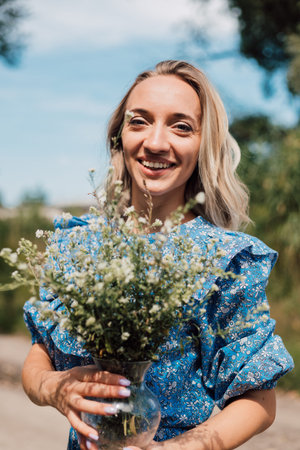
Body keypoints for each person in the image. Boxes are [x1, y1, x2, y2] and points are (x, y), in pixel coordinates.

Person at [22, 60, 293, 450]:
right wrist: (54, 388)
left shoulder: (224, 259)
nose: (155, 142)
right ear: (120, 137)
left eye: (181, 126)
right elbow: (39, 357)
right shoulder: (79, 246)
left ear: (204, 144)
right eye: (140, 121)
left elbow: (258, 403)